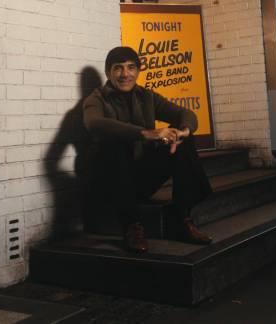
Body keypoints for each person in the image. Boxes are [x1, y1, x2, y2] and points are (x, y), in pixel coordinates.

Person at [83, 46, 213, 252]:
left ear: (138, 70)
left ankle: (182, 219)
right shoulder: (96, 98)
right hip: (112, 182)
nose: (125, 74)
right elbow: (94, 124)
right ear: (108, 72)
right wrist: (146, 133)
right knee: (113, 144)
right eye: (118, 68)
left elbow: (185, 114)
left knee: (184, 142)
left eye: (131, 68)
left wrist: (183, 132)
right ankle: (132, 226)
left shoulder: (146, 96)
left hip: (141, 177)